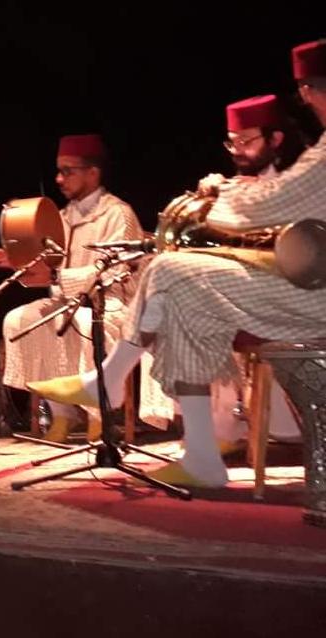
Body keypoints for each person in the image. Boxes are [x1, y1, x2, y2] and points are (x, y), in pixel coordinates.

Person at [29, 38, 326, 487]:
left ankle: (113, 384)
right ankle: (197, 451)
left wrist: (217, 194)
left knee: (171, 275)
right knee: (181, 294)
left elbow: (267, 205)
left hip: (314, 292)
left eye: (307, 89)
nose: (305, 98)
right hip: (301, 282)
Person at [142, 95, 310, 445]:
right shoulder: (230, 187)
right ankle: (217, 432)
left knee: (199, 312)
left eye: (246, 141)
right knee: (178, 308)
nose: (237, 151)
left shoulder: (298, 184)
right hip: (243, 293)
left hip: (290, 295)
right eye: (231, 142)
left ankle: (232, 431)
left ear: (276, 139)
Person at [0, 135, 142, 442]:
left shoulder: (118, 214)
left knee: (85, 324)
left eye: (68, 171)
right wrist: (21, 263)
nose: (59, 179)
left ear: (93, 173)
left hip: (111, 306)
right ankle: (61, 413)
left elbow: (115, 271)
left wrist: (55, 277)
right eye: (58, 171)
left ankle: (99, 414)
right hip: (67, 303)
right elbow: (47, 271)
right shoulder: (60, 218)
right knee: (19, 320)